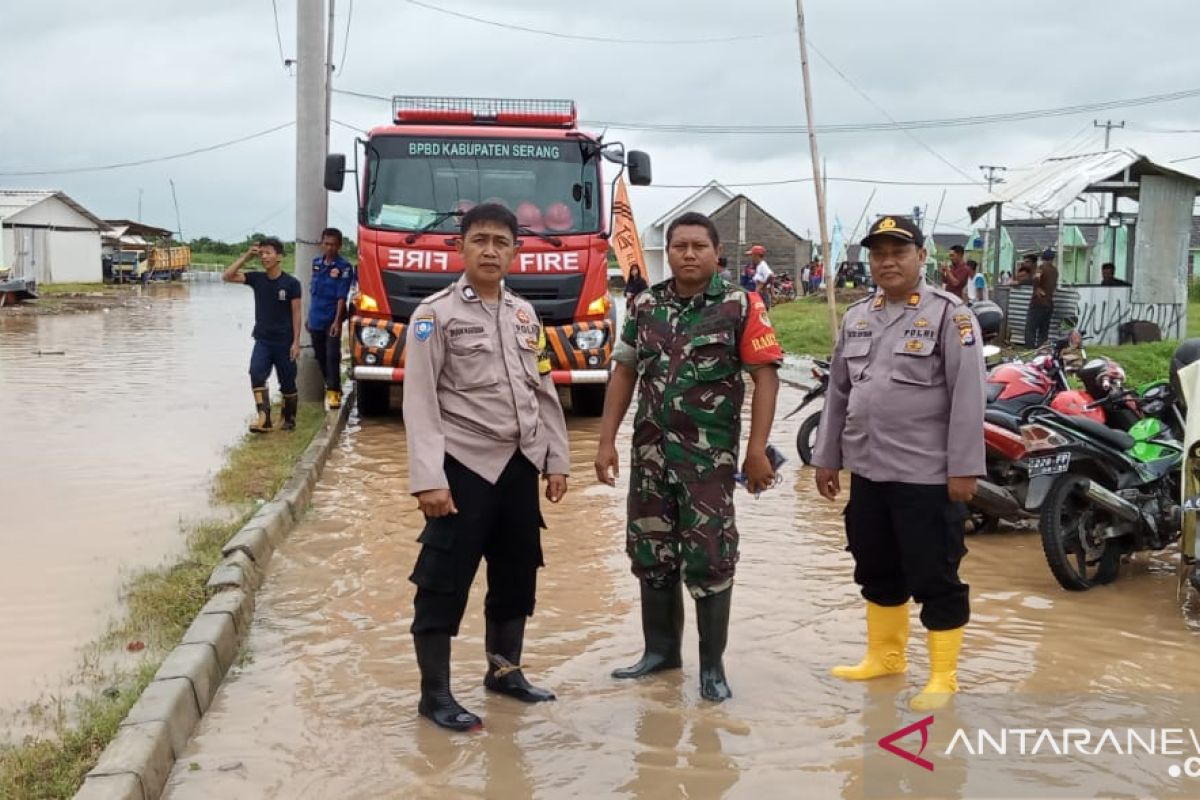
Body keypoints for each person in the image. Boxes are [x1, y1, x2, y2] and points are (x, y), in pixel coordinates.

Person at [594, 211, 782, 703]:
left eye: (699, 246)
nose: (689, 254)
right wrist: (604, 440)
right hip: (650, 457)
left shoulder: (742, 304)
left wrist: (756, 450)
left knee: (710, 557)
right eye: (680, 246)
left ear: (715, 253)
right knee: (651, 551)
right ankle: (660, 654)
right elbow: (624, 372)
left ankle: (712, 668)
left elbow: (765, 376)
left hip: (708, 463)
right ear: (670, 251)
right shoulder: (646, 305)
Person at [403, 203, 571, 732]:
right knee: (442, 581)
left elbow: (542, 389)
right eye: (481, 240)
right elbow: (420, 400)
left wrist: (556, 461)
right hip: (464, 466)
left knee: (517, 575)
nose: (491, 250)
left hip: (520, 466)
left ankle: (504, 673)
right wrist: (429, 477)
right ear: (461, 247)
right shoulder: (434, 315)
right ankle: (435, 696)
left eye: (502, 241)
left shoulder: (524, 316)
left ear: (516, 250)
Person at [811, 215, 985, 711]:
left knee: (935, 574)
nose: (887, 262)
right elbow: (839, 394)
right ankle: (885, 658)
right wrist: (827, 458)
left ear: (921, 257)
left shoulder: (952, 316)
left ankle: (943, 677)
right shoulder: (857, 317)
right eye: (878, 253)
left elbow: (970, 396)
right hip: (868, 470)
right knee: (876, 567)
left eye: (898, 252)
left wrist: (964, 468)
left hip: (926, 475)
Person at [223, 237, 302, 433]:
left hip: (285, 341)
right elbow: (227, 276)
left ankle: (288, 419)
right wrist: (247, 255)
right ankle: (264, 419)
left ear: (279, 257)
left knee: (288, 382)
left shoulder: (291, 283)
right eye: (262, 253)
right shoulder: (257, 279)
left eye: (269, 253)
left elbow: (297, 313)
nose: (265, 257)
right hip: (263, 339)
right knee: (256, 373)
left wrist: (296, 342)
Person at [308, 227, 355, 409]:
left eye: (333, 245)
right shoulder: (316, 263)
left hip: (332, 318)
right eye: (327, 244)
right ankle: (331, 384)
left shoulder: (344, 267)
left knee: (332, 355)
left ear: (340, 246)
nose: (330, 248)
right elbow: (314, 293)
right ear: (322, 244)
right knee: (320, 355)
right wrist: (308, 317)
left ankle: (333, 393)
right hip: (316, 316)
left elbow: (341, 297)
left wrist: (337, 321)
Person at [1026, 251, 1058, 347]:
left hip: (1038, 302)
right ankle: (1042, 349)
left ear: (1043, 258)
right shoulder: (1055, 271)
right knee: (1044, 329)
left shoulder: (1041, 268)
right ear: (1052, 259)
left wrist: (1037, 289)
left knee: (1030, 327)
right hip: (1049, 303)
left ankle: (1029, 347)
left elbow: (1036, 278)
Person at [747, 244, 775, 309]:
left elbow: (771, 276)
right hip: (760, 293)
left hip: (763, 294)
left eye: (752, 255)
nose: (751, 257)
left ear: (756, 255)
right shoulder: (759, 265)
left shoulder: (763, 265)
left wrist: (763, 286)